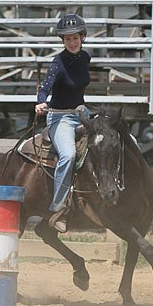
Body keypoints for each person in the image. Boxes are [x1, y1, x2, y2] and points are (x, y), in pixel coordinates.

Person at [35, 14, 91, 233]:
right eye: (67, 39)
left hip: (81, 112)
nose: (72, 42)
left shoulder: (86, 58)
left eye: (75, 37)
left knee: (118, 137)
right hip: (60, 116)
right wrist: (41, 102)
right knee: (68, 155)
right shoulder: (57, 63)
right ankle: (57, 209)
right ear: (62, 41)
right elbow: (45, 88)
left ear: (82, 37)